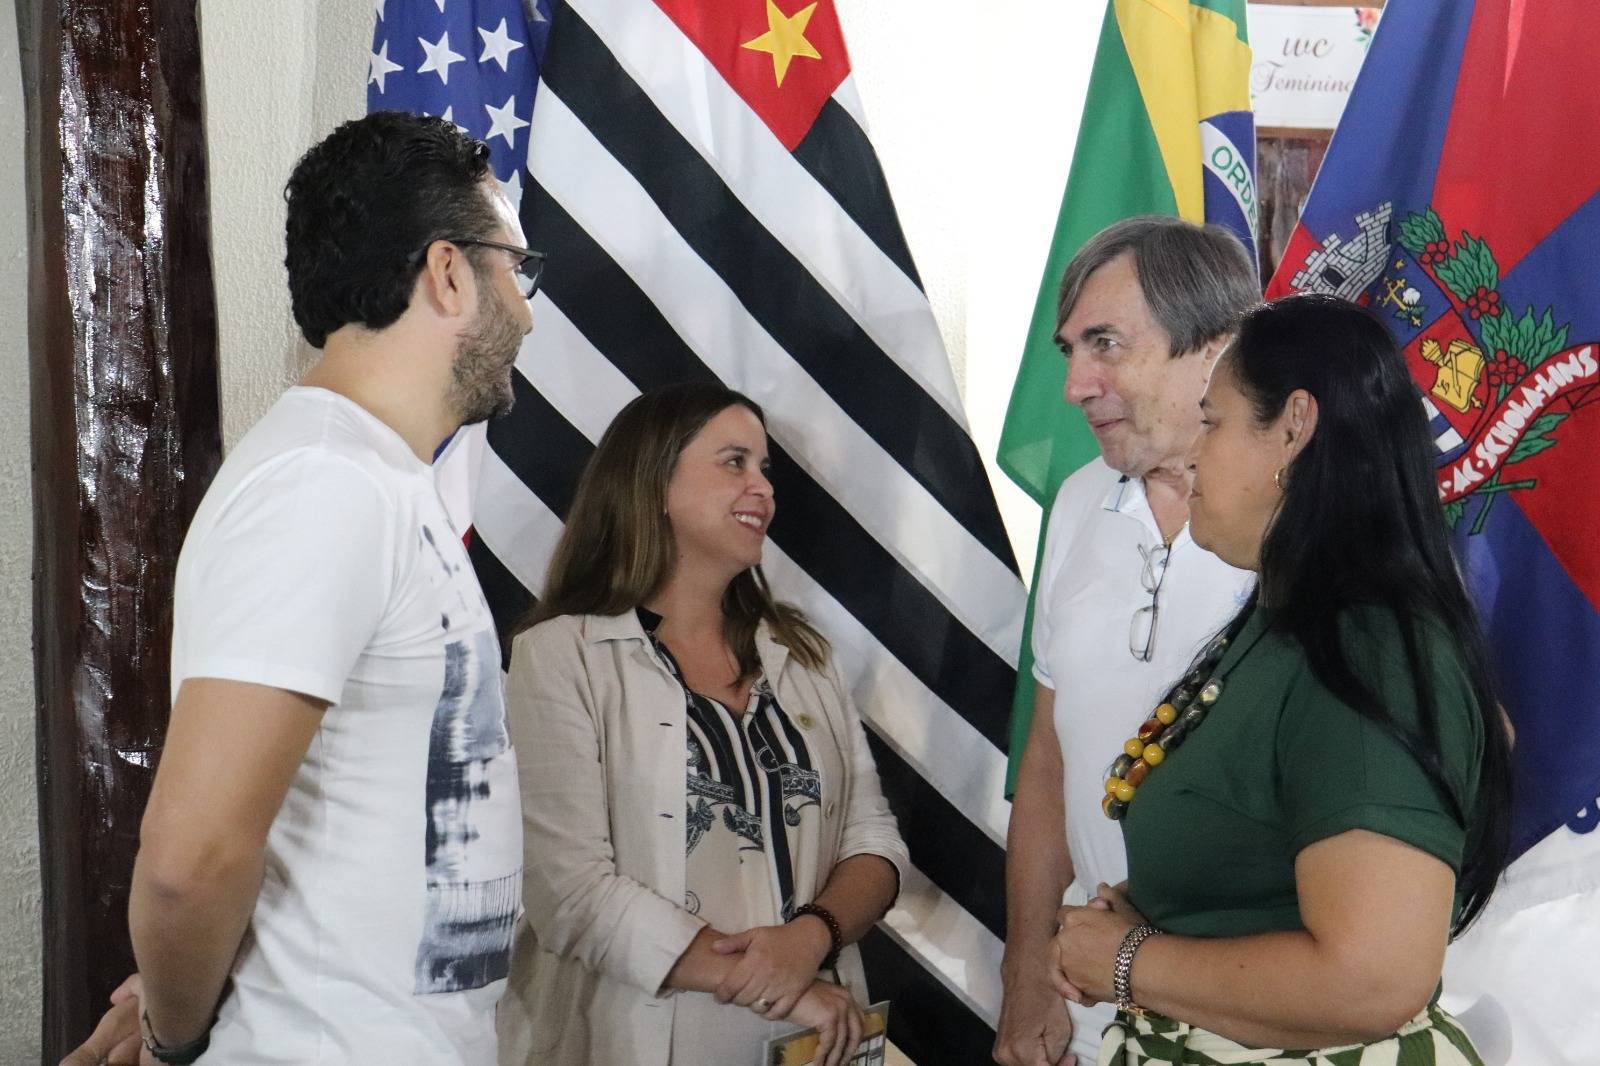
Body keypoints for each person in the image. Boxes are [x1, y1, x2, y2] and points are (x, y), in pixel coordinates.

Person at [63, 110, 540, 1065]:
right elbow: (190, 858)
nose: (526, 310)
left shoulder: (374, 478)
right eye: (515, 271)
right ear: (448, 272)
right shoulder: (324, 484)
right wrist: (172, 1039)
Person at [1049, 294, 1512, 1064]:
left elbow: (1373, 979)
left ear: (1294, 428)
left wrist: (1131, 962)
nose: (1193, 453)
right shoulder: (1289, 623)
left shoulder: (1370, 647)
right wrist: (1159, 918)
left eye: (1214, 421)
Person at [494, 383, 908, 1066]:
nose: (763, 489)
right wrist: (775, 983)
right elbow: (569, 891)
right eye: (735, 462)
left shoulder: (803, 653)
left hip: (819, 1040)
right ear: (652, 483)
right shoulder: (560, 657)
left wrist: (811, 938)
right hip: (638, 1043)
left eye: (765, 469)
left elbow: (873, 839)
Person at [996, 217, 1259, 1066]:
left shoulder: (1317, 525)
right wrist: (1026, 974)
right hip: (1087, 1001)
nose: (1077, 384)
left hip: (1258, 1011)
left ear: (1214, 349)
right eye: (1070, 350)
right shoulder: (1076, 502)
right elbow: (1047, 761)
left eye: (1106, 344)